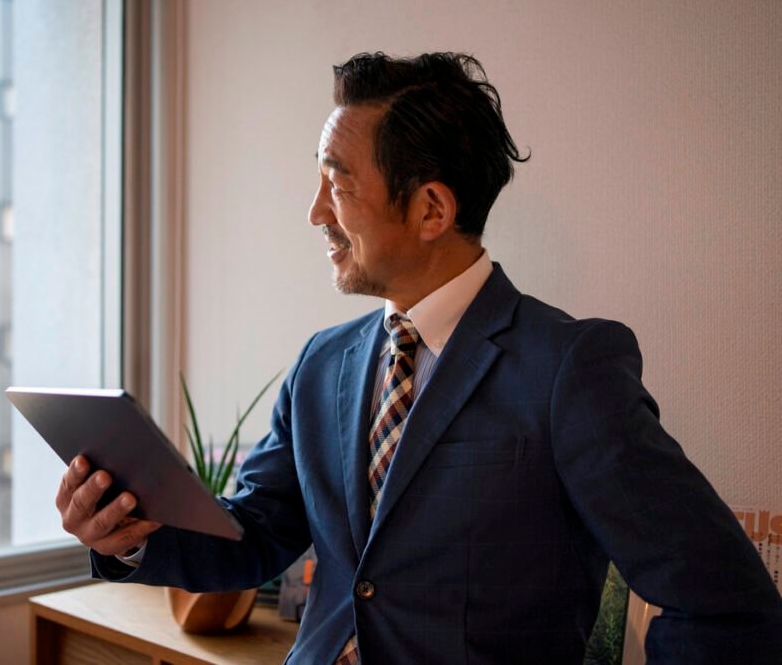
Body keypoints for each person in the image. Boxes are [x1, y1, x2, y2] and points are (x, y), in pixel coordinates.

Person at [55, 52, 782, 663]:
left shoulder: (568, 368)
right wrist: (125, 536)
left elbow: (725, 605)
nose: (315, 212)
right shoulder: (320, 365)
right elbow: (254, 536)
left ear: (432, 209)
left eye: (336, 183)